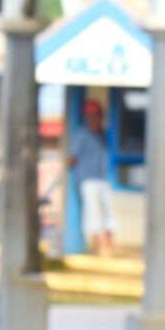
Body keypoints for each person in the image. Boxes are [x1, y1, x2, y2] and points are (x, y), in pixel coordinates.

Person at [71, 98, 114, 256]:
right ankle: (97, 246)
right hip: (87, 179)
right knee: (92, 212)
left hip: (104, 178)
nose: (95, 119)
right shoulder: (81, 134)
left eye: (98, 115)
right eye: (92, 115)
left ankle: (109, 245)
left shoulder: (105, 135)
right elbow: (72, 158)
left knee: (108, 211)